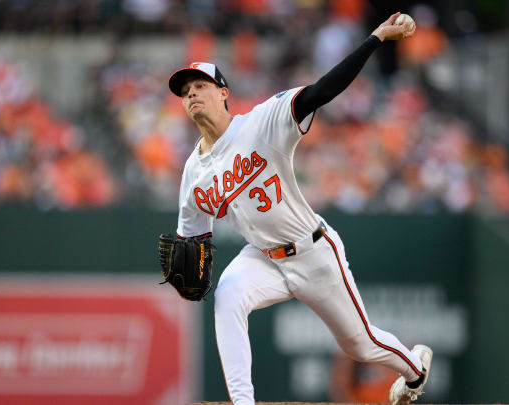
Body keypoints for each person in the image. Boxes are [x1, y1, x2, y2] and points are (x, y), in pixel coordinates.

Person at [165, 12, 431, 405]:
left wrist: (375, 37)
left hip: (313, 251)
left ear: (223, 92)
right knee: (228, 295)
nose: (191, 94)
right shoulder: (193, 171)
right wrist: (186, 264)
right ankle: (243, 402)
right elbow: (192, 235)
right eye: (184, 90)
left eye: (199, 85)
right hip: (262, 257)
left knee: (361, 344)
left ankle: (414, 369)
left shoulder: (262, 123)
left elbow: (323, 91)